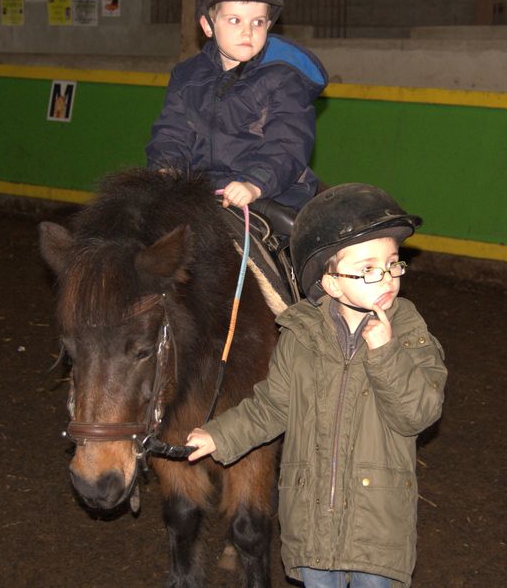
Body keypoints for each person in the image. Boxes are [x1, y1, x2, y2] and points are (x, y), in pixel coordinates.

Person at [186, 183, 447, 587]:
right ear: (331, 284)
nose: (387, 278)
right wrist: (219, 436)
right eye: (369, 268)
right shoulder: (300, 336)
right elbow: (271, 406)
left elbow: (419, 413)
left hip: (377, 527)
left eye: (393, 264)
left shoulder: (409, 334)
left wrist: (386, 353)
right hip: (311, 523)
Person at [147, 0, 327, 212]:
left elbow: (288, 140)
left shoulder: (284, 79)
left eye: (258, 22)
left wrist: (254, 184)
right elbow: (172, 132)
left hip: (273, 189)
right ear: (208, 26)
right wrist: (166, 170)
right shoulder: (186, 77)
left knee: (286, 229)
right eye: (235, 20)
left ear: (268, 25)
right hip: (202, 190)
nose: (247, 31)